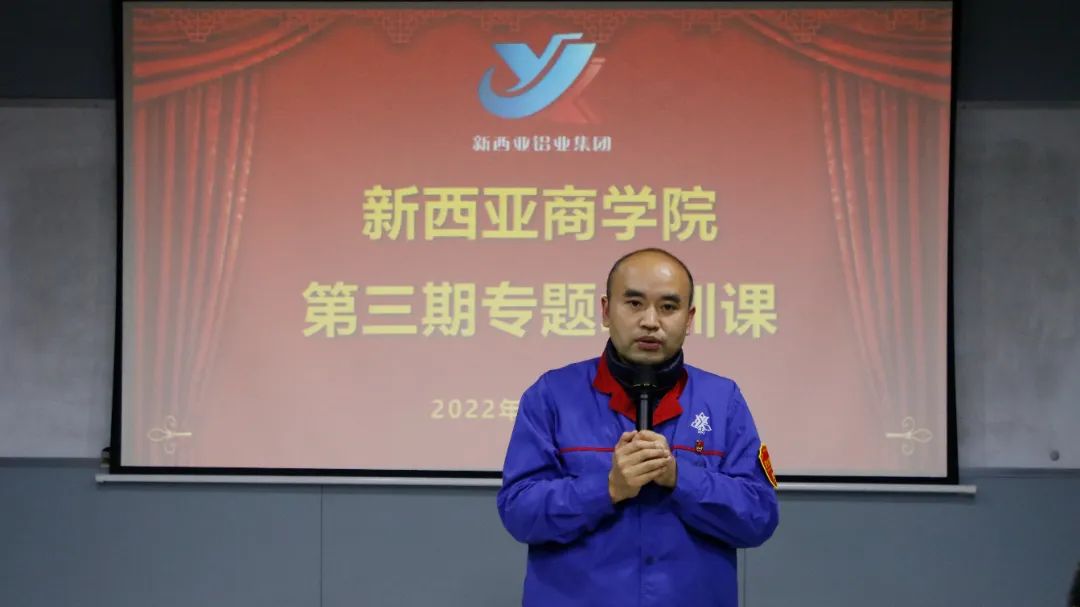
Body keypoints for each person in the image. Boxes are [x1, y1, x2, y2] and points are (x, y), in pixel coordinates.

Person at [497, 248, 780, 607]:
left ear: (689, 318)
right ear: (605, 311)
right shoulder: (551, 395)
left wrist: (680, 477)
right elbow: (519, 513)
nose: (650, 321)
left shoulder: (724, 400)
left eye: (668, 307)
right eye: (634, 304)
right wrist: (607, 487)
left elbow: (759, 517)